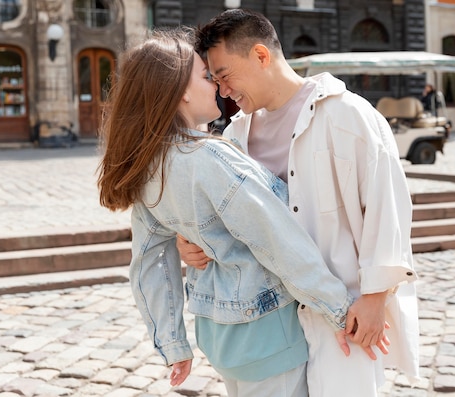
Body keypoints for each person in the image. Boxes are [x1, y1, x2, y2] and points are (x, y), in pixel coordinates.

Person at [96, 28, 360, 397]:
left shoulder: (148, 167)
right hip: (266, 331)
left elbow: (147, 264)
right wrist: (338, 307)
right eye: (207, 77)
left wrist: (172, 342)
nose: (219, 88)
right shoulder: (209, 157)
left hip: (217, 333)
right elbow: (275, 235)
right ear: (181, 92)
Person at [179, 9, 420, 396]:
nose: (223, 92)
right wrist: (190, 241)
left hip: (343, 314)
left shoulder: (348, 114)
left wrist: (375, 297)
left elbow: (387, 206)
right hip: (269, 325)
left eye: (224, 75)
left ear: (260, 55)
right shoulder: (235, 135)